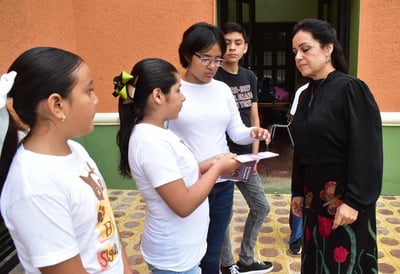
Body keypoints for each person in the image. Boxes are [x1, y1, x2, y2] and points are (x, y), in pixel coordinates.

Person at [0, 47, 132, 274]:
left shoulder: (75, 150)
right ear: (56, 105)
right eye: (89, 91)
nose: (96, 99)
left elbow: (106, 222)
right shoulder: (35, 186)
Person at [115, 58, 240, 274]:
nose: (183, 97)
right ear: (158, 96)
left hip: (182, 252)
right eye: (178, 90)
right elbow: (183, 204)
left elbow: (175, 175)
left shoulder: (158, 133)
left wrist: (205, 165)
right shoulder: (152, 142)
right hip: (175, 258)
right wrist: (217, 169)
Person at [167, 22, 271, 274]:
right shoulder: (174, 91)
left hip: (223, 182)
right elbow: (164, 139)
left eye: (217, 60)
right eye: (205, 59)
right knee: (190, 250)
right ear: (186, 54)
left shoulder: (222, 89)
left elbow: (235, 130)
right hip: (188, 183)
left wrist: (252, 133)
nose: (212, 66)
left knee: (213, 253)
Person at [290, 18, 383, 273]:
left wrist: (354, 201)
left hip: (345, 198)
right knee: (317, 261)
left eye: (305, 49)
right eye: (295, 51)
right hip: (313, 198)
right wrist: (297, 189)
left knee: (344, 262)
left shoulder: (351, 89)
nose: (298, 56)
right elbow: (302, 145)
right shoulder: (306, 94)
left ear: (328, 48)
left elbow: (367, 149)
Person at [214, 22, 273, 274]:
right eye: (226, 43)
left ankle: (246, 259)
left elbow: (254, 117)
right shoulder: (213, 77)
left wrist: (256, 153)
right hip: (221, 158)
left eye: (238, 43)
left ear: (245, 47)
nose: (232, 48)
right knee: (224, 215)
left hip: (246, 156)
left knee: (261, 206)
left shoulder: (249, 76)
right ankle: (227, 265)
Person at [287, 82, 308, 256]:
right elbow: (293, 122)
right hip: (305, 154)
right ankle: (296, 239)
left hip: (329, 162)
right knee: (299, 195)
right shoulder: (303, 91)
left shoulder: (348, 89)